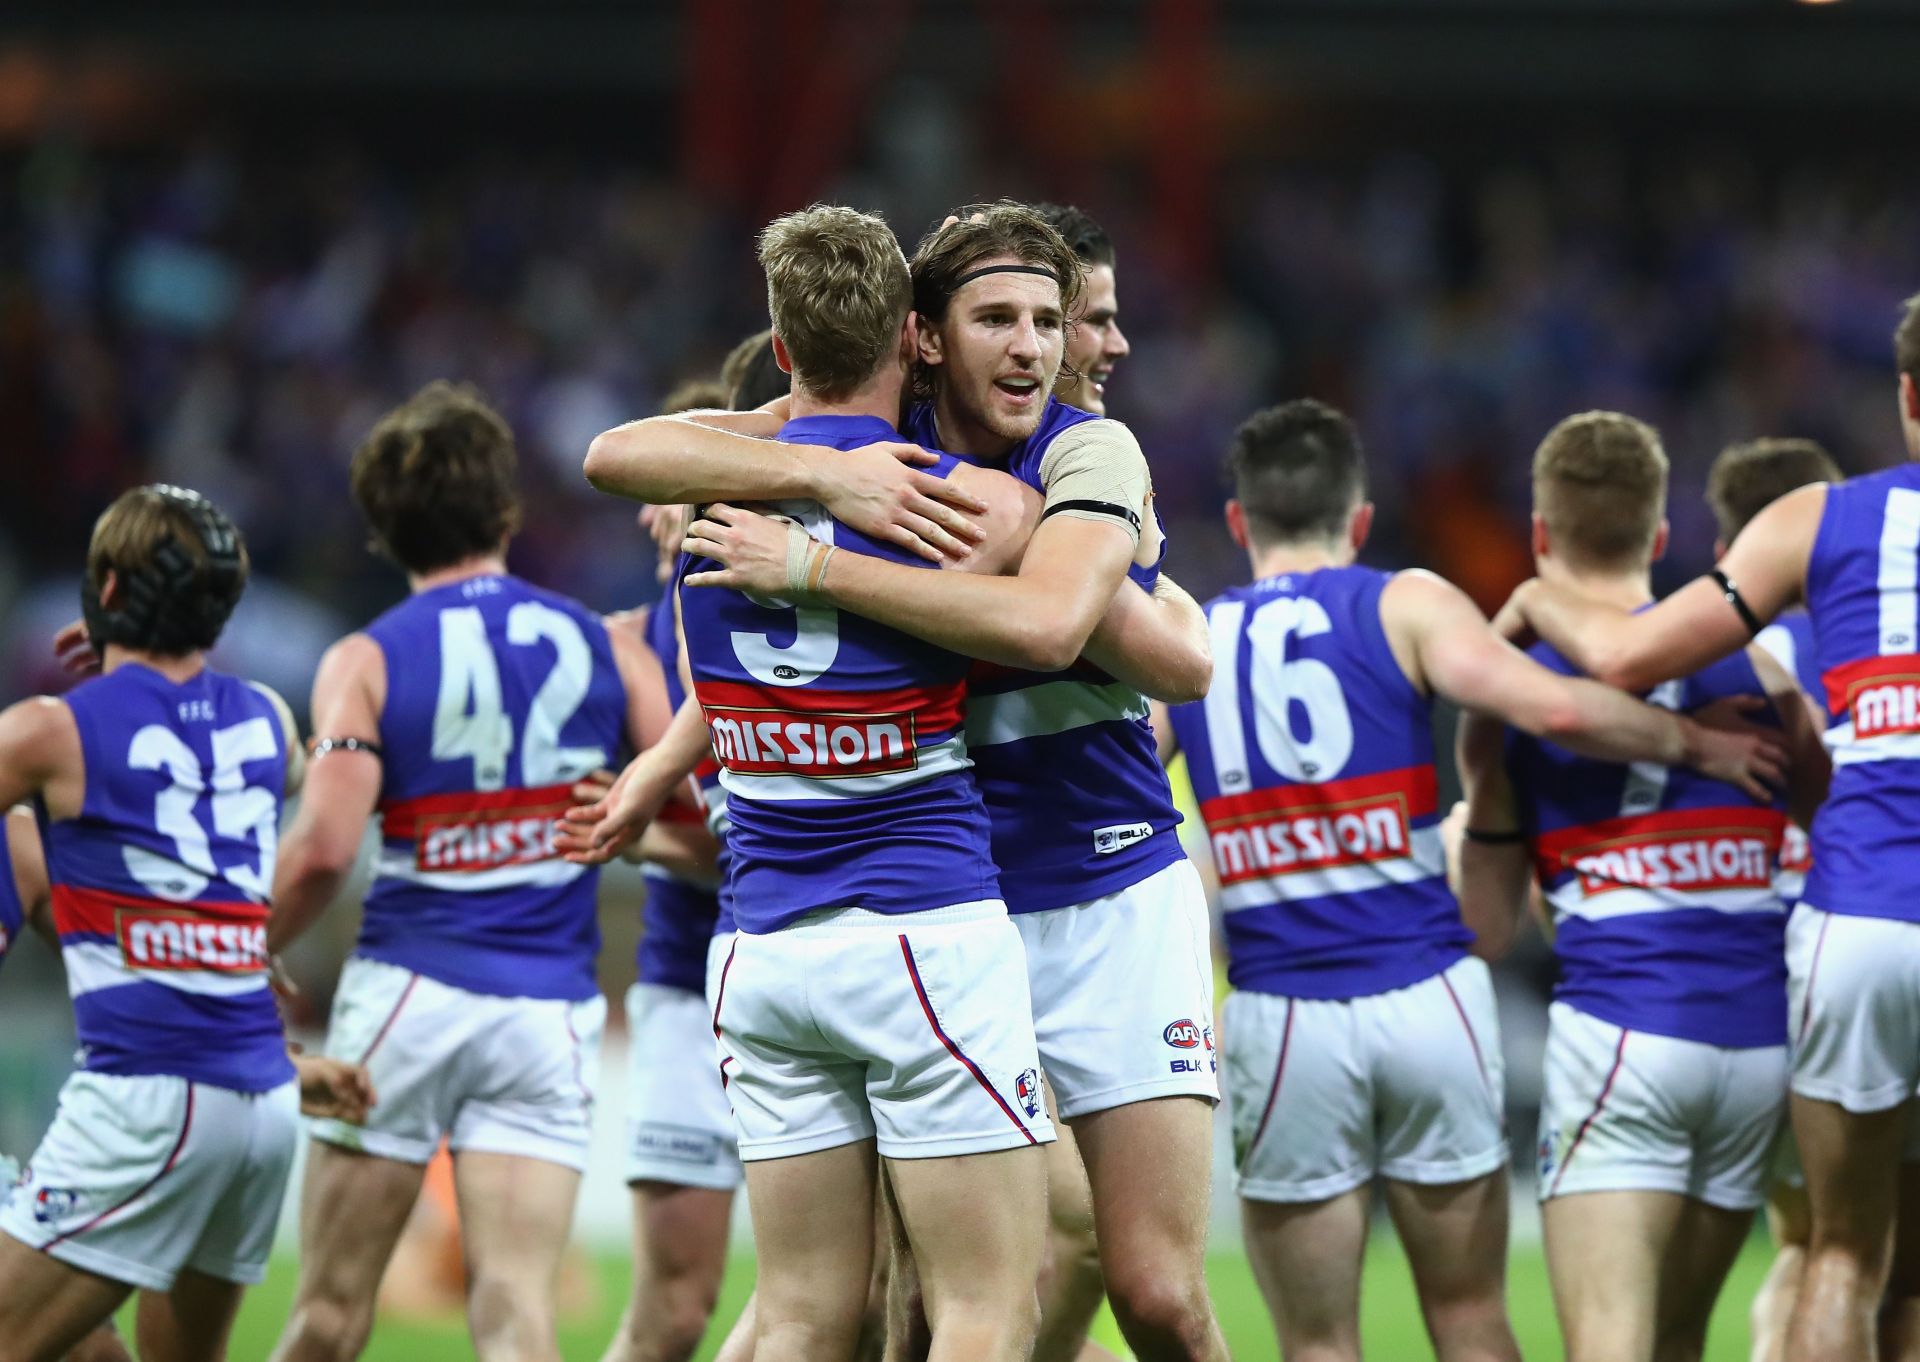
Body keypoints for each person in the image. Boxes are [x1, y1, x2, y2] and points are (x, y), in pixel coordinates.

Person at [581, 200, 1224, 1361]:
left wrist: (815, 559)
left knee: (1155, 1292)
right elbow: (622, 455)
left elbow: (1108, 641)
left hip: (1107, 887)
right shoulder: (875, 442)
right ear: (924, 337)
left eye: (1052, 319)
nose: (1039, 346)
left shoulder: (1081, 452)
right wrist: (817, 488)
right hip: (955, 903)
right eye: (1000, 319)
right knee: (903, 1298)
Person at [1158, 401, 1787, 1362]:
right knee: (1469, 1317)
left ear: (1240, 522)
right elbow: (1552, 708)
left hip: (1286, 1010)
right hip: (1428, 1001)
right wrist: (1692, 742)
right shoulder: (1406, 599)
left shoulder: (1191, 638)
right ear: (1359, 519)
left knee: (1318, 1342)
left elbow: (1114, 781)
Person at [1494, 300, 1920, 1362]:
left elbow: (1628, 660)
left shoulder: (1821, 518)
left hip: (1862, 919)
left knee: (1840, 1256)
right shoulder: (1785, 641)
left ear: (1906, 396)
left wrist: (1544, 606)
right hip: (1762, 999)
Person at [264, 382, 672, 1362]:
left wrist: (241, 951)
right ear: (506, 509)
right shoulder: (603, 645)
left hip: (409, 994)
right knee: (516, 1310)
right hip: (548, 1014)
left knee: (329, 1313)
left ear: (382, 529)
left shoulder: (366, 658)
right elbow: (695, 807)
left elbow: (322, 848)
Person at [1456, 412, 1824, 1362]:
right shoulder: (1761, 664)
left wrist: (1487, 796)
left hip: (1623, 1030)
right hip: (1756, 1049)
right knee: (1679, 1344)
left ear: (1541, 534)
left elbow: (1489, 926)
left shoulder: (1520, 685)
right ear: (1660, 538)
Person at [0, 486, 370, 1362]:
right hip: (259, 1107)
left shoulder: (50, 734)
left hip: (149, 1098)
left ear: (110, 592)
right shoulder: (267, 722)